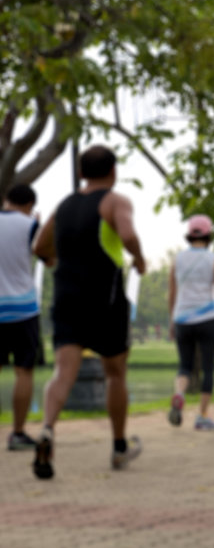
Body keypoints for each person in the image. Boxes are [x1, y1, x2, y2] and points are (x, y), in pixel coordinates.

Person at [31, 145, 146, 479]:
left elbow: (39, 246)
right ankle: (119, 447)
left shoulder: (64, 205)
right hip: (105, 299)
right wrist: (138, 259)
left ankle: (48, 429)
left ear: (81, 173)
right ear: (113, 172)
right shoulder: (115, 201)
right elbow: (127, 233)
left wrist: (52, 261)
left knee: (63, 371)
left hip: (66, 296)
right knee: (115, 373)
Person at [167, 215, 214, 431]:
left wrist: (171, 321)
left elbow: (172, 293)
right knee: (208, 369)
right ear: (208, 234)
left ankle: (179, 394)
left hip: (182, 319)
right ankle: (202, 416)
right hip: (207, 319)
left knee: (184, 366)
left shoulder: (177, 260)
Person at [1, 184, 42, 451]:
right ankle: (17, 433)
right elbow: (49, 259)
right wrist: (38, 225)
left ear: (6, 200)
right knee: (24, 370)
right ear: (30, 204)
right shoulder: (30, 225)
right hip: (23, 308)